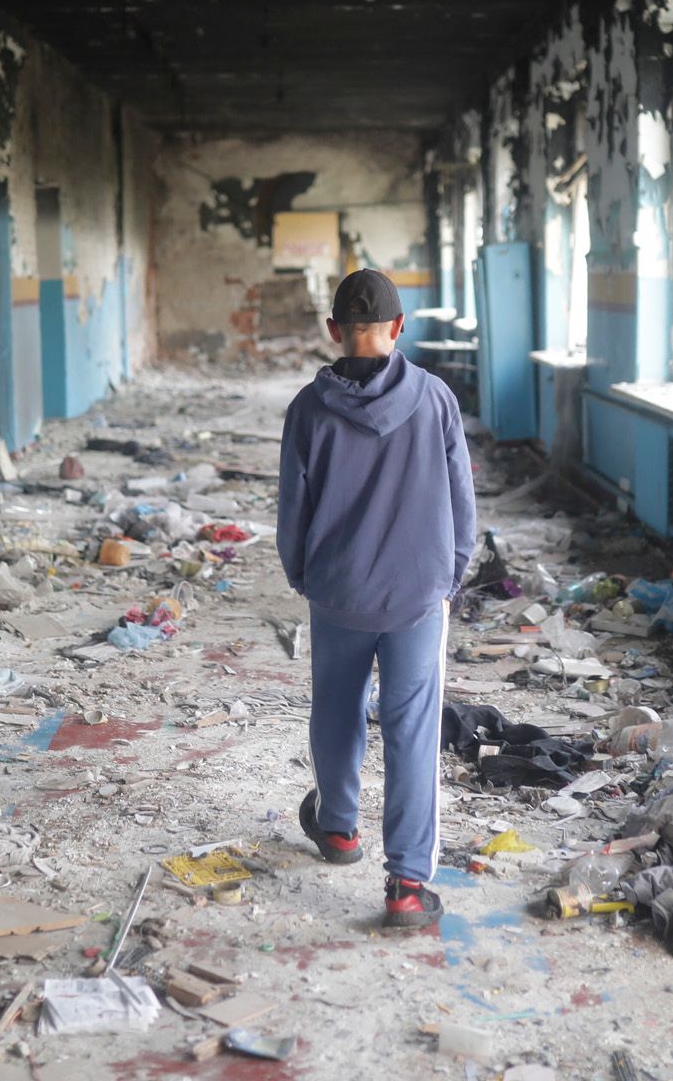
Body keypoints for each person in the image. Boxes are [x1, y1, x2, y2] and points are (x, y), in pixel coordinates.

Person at [277, 268, 476, 926]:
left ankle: (337, 829)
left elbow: (293, 510)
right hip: (417, 595)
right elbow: (462, 502)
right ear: (399, 327)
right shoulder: (436, 399)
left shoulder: (308, 409)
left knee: (336, 707)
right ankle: (407, 887)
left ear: (334, 330)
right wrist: (450, 575)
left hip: (338, 589)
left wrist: (304, 576)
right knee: (411, 728)